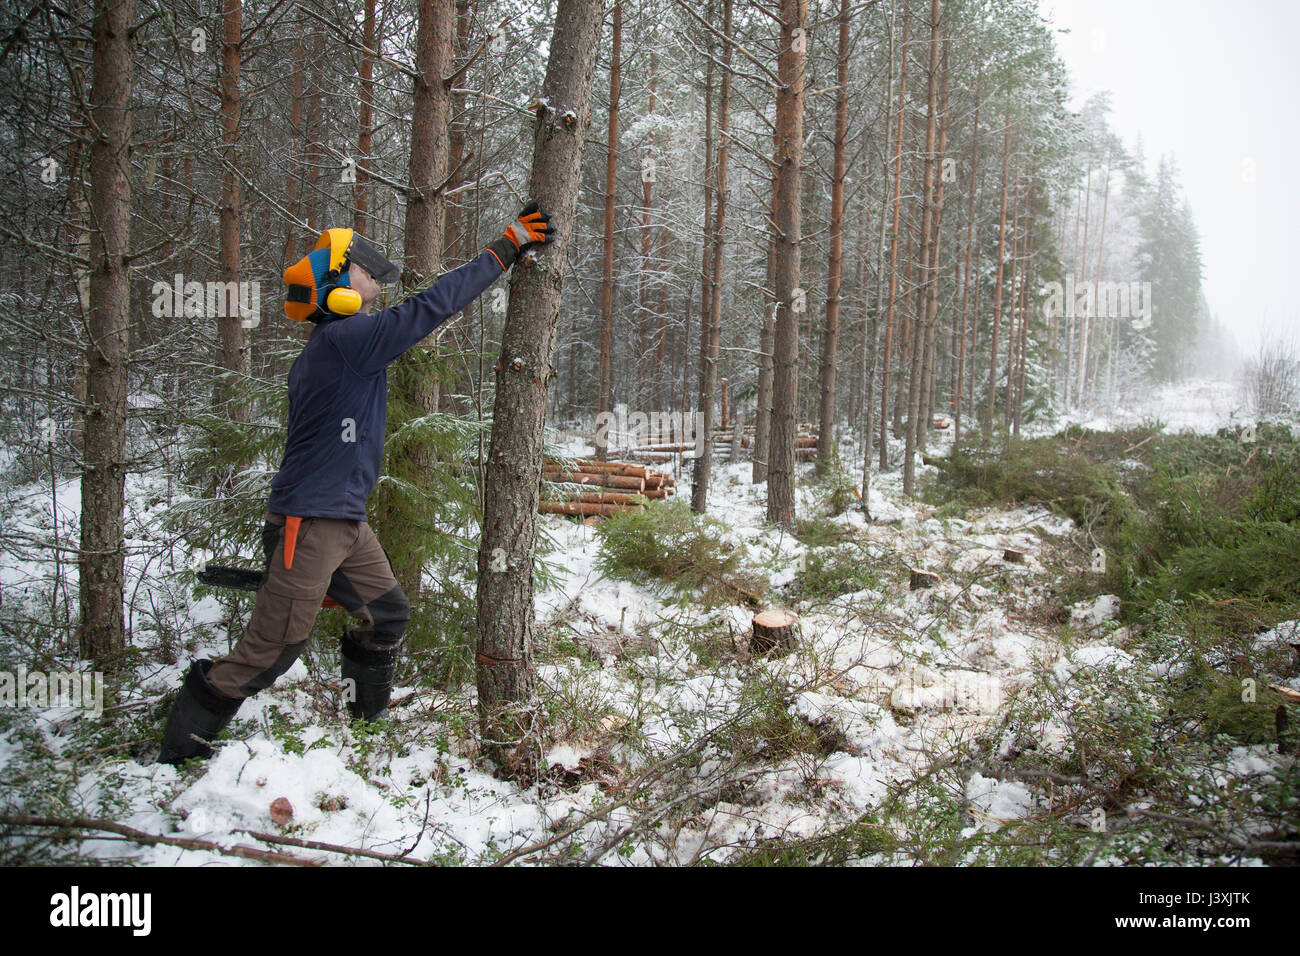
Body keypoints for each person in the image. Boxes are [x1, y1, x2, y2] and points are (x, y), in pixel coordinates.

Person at [157, 202, 555, 765]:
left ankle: (366, 731)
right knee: (270, 653)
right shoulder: (346, 339)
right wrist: (504, 248)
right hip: (311, 523)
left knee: (386, 614)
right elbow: (433, 306)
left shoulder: (337, 344)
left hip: (343, 522)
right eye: (364, 271)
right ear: (337, 282)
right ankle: (176, 757)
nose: (375, 280)